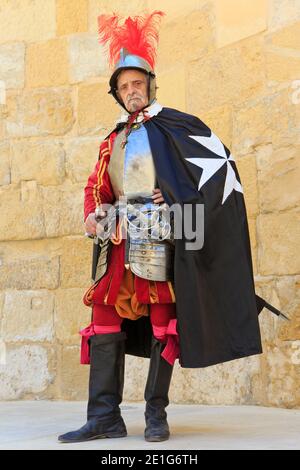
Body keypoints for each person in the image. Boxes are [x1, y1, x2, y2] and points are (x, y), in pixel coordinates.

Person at [58, 11, 287, 444]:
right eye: (124, 86)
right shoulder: (112, 140)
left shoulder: (178, 128)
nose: (131, 91)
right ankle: (104, 416)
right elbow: (97, 186)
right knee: (104, 319)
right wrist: (93, 212)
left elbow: (214, 178)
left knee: (164, 322)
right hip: (118, 241)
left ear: (150, 84)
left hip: (163, 240)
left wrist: (176, 195)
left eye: (137, 83)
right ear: (117, 93)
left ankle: (155, 414)